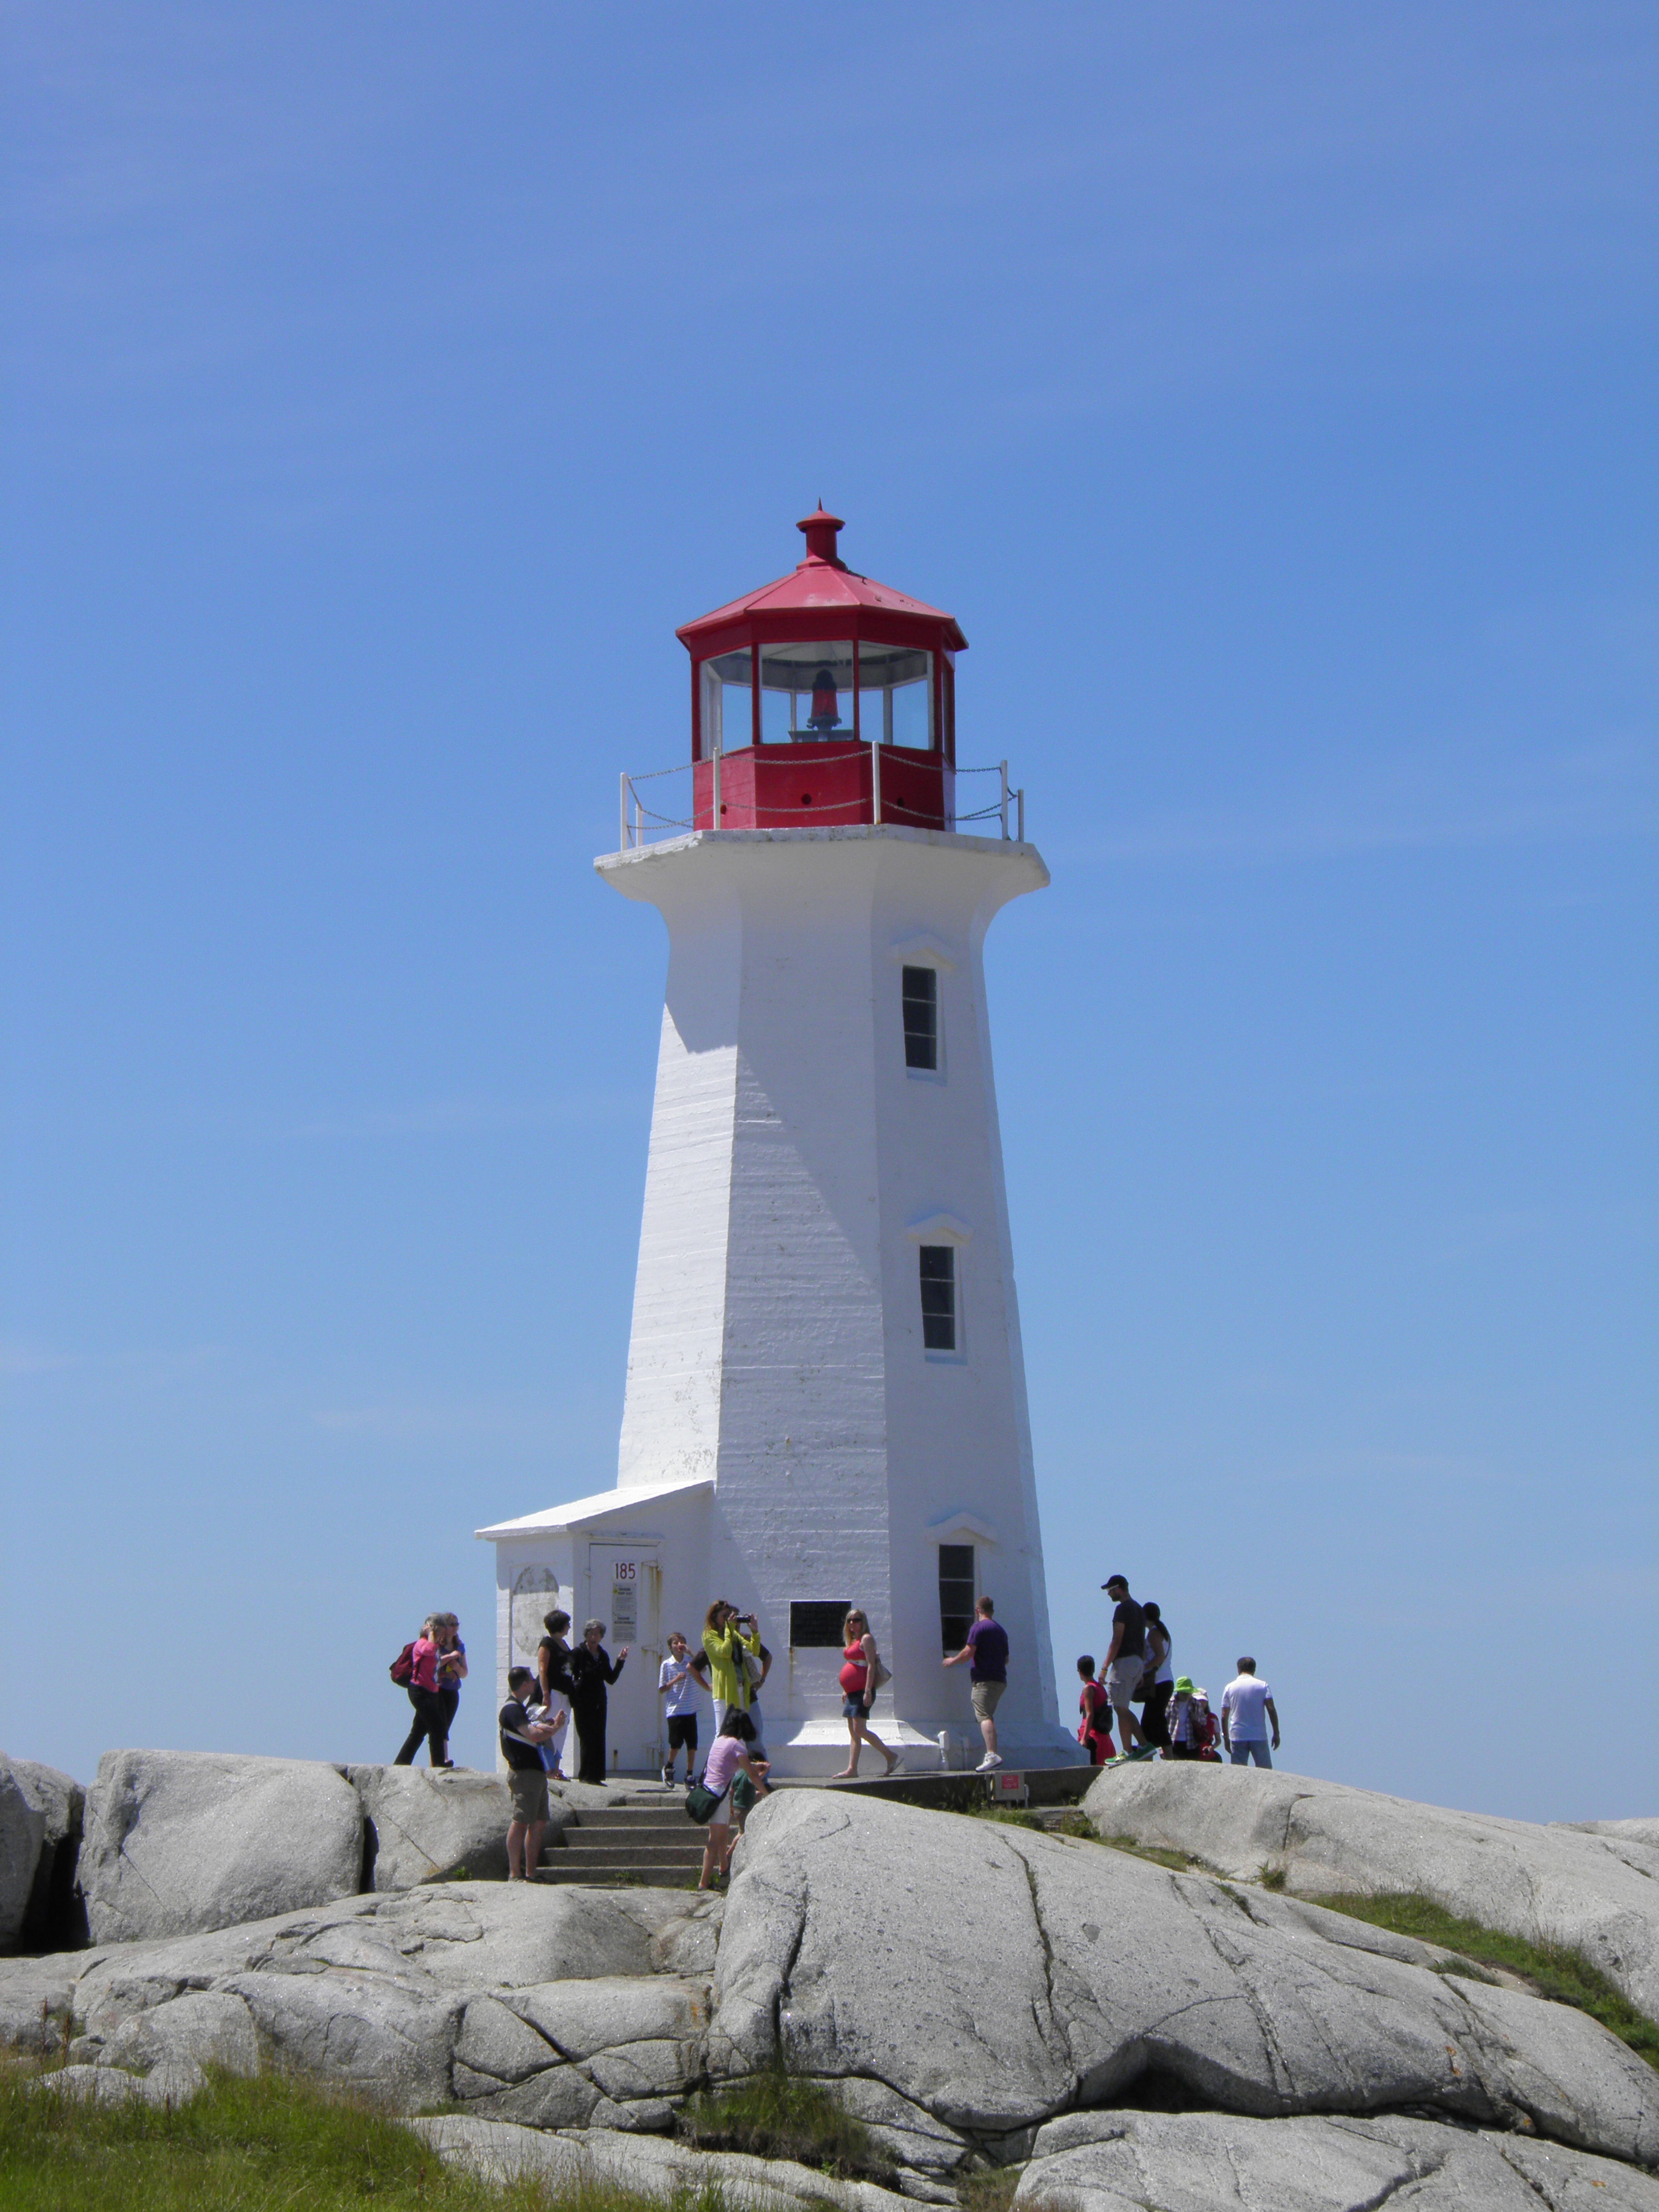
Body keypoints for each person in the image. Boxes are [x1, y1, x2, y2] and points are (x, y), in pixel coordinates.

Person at [499, 1665, 563, 1879]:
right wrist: (554, 1729)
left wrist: (550, 1727)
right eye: (531, 1680)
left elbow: (534, 1733)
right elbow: (533, 1735)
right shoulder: (512, 1709)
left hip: (535, 1773)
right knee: (521, 1821)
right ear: (524, 1684)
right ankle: (515, 1873)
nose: (535, 1683)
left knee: (538, 1822)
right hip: (524, 1773)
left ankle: (531, 1873)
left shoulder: (521, 1709)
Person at [696, 1710, 769, 1890]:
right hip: (720, 1796)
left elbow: (733, 1764)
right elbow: (752, 1775)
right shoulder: (737, 1746)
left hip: (709, 1793)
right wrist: (767, 1794)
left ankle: (723, 1869)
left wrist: (754, 1765)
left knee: (720, 1835)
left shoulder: (719, 1741)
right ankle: (703, 1883)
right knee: (714, 1840)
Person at [832, 1608, 902, 1779]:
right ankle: (852, 1769)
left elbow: (870, 1665)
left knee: (860, 1729)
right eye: (849, 1620)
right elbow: (854, 1665)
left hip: (863, 1691)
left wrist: (868, 1691)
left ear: (863, 1622)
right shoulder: (853, 1641)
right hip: (852, 1692)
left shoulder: (867, 1639)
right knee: (854, 1731)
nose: (852, 1624)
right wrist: (846, 1689)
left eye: (856, 1620)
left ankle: (890, 1756)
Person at [943, 1593, 1009, 1772]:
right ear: (992, 1610)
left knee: (984, 1716)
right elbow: (1006, 1659)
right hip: (1000, 1680)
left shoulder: (978, 1628)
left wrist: (952, 1661)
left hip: (984, 1680)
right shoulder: (1001, 1631)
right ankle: (992, 1754)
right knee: (988, 1715)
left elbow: (968, 1652)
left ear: (978, 1610)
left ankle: (992, 1755)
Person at [568, 1619, 629, 1784]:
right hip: (583, 1701)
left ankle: (597, 1776)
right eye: (591, 1634)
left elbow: (610, 1678)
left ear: (602, 1637)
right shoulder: (578, 1653)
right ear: (586, 1635)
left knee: (599, 1737)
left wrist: (620, 1661)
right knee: (586, 1738)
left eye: (597, 1634)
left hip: (599, 1701)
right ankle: (586, 1776)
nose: (594, 1637)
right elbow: (567, 1674)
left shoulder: (602, 1654)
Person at [1099, 1575, 1149, 1757]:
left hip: (1124, 1662)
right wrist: (1142, 1668)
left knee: (1120, 1708)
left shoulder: (1122, 1609)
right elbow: (1142, 1641)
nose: (1109, 1594)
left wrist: (1105, 1667)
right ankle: (1144, 1745)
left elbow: (1117, 1639)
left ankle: (1128, 1751)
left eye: (1110, 1590)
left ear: (1119, 1589)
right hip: (1137, 1662)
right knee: (1124, 1707)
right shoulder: (1139, 1609)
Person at [394, 1615, 449, 1767]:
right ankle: (438, 1763)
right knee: (436, 1727)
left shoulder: (435, 1646)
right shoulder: (422, 1644)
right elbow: (430, 1651)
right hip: (419, 1691)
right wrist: (431, 1633)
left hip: (431, 1692)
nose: (442, 1637)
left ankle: (401, 1763)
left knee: (418, 1732)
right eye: (441, 1633)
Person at [701, 1600, 762, 1735]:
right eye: (725, 1616)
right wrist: (730, 1629)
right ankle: (717, 1757)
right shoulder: (709, 1636)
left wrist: (755, 1632)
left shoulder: (733, 1634)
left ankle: (737, 1756)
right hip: (724, 1691)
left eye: (730, 1616)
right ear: (714, 1618)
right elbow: (725, 1651)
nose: (729, 1619)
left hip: (740, 1687)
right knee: (723, 1733)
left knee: (739, 1731)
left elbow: (754, 1651)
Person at [658, 1631, 703, 1785]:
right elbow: (662, 1688)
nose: (679, 1645)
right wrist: (676, 1680)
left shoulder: (690, 1662)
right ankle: (669, 1768)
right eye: (676, 1643)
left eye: (681, 1642)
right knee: (676, 1743)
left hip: (690, 1708)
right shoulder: (667, 1664)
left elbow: (702, 1668)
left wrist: (691, 1652)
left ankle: (690, 1775)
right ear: (670, 1647)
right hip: (675, 1709)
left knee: (692, 1744)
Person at [1221, 1657, 1280, 1767]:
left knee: (1239, 1772)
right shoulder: (1263, 1685)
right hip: (1258, 1734)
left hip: (1237, 1734)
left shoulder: (1230, 1687)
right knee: (1265, 1771)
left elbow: (1224, 1715)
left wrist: (1226, 1737)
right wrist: (1276, 1733)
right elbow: (1271, 1709)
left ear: (1238, 1669)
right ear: (1254, 1669)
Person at [536, 1611, 575, 1780]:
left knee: (562, 1731)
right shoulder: (547, 1644)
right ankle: (547, 1769)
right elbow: (543, 1670)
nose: (569, 1627)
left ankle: (557, 1769)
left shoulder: (564, 1644)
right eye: (567, 1624)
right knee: (550, 1729)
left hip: (565, 1694)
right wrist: (546, 1694)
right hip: (552, 1692)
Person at [1138, 1602, 1174, 1750]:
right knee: (1152, 1721)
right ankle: (1153, 1753)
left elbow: (1159, 1657)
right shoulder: (1160, 1632)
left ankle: (1164, 1754)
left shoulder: (1154, 1634)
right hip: (1165, 1681)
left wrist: (1143, 1670)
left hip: (1159, 1682)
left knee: (1153, 1721)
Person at [434, 1614, 467, 1767]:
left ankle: (444, 1758)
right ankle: (441, 1759)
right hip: (438, 1689)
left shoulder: (459, 1647)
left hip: (453, 1690)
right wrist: (446, 1668)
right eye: (451, 1625)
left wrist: (457, 1668)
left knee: (446, 1724)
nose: (454, 1628)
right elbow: (434, 1666)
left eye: (456, 1624)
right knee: (439, 1725)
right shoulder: (437, 1646)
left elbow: (465, 1673)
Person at [1076, 1655, 1115, 1764]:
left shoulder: (1088, 1688)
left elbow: (1090, 1714)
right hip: (1105, 1739)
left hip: (1092, 1738)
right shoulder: (1100, 1687)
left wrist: (1084, 1738)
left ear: (1080, 1672)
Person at [1164, 1675, 1207, 1760]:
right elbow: (1163, 1724)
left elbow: (1204, 1722)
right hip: (1173, 1742)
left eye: (1189, 1692)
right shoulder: (1170, 1703)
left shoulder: (1195, 1703)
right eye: (1184, 1693)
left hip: (1192, 1743)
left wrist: (1196, 1719)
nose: (1187, 1695)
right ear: (1179, 1692)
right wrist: (1162, 1748)